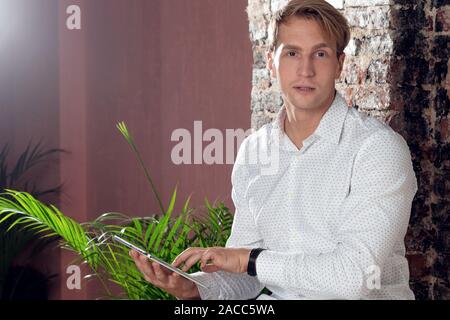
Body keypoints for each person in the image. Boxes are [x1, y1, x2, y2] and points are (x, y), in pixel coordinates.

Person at [130, 0, 418, 300]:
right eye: (292, 53)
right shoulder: (254, 152)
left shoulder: (378, 150)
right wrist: (195, 287)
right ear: (271, 61)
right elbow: (245, 278)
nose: (305, 70)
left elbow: (353, 278)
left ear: (340, 64)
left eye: (320, 54)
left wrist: (249, 259)